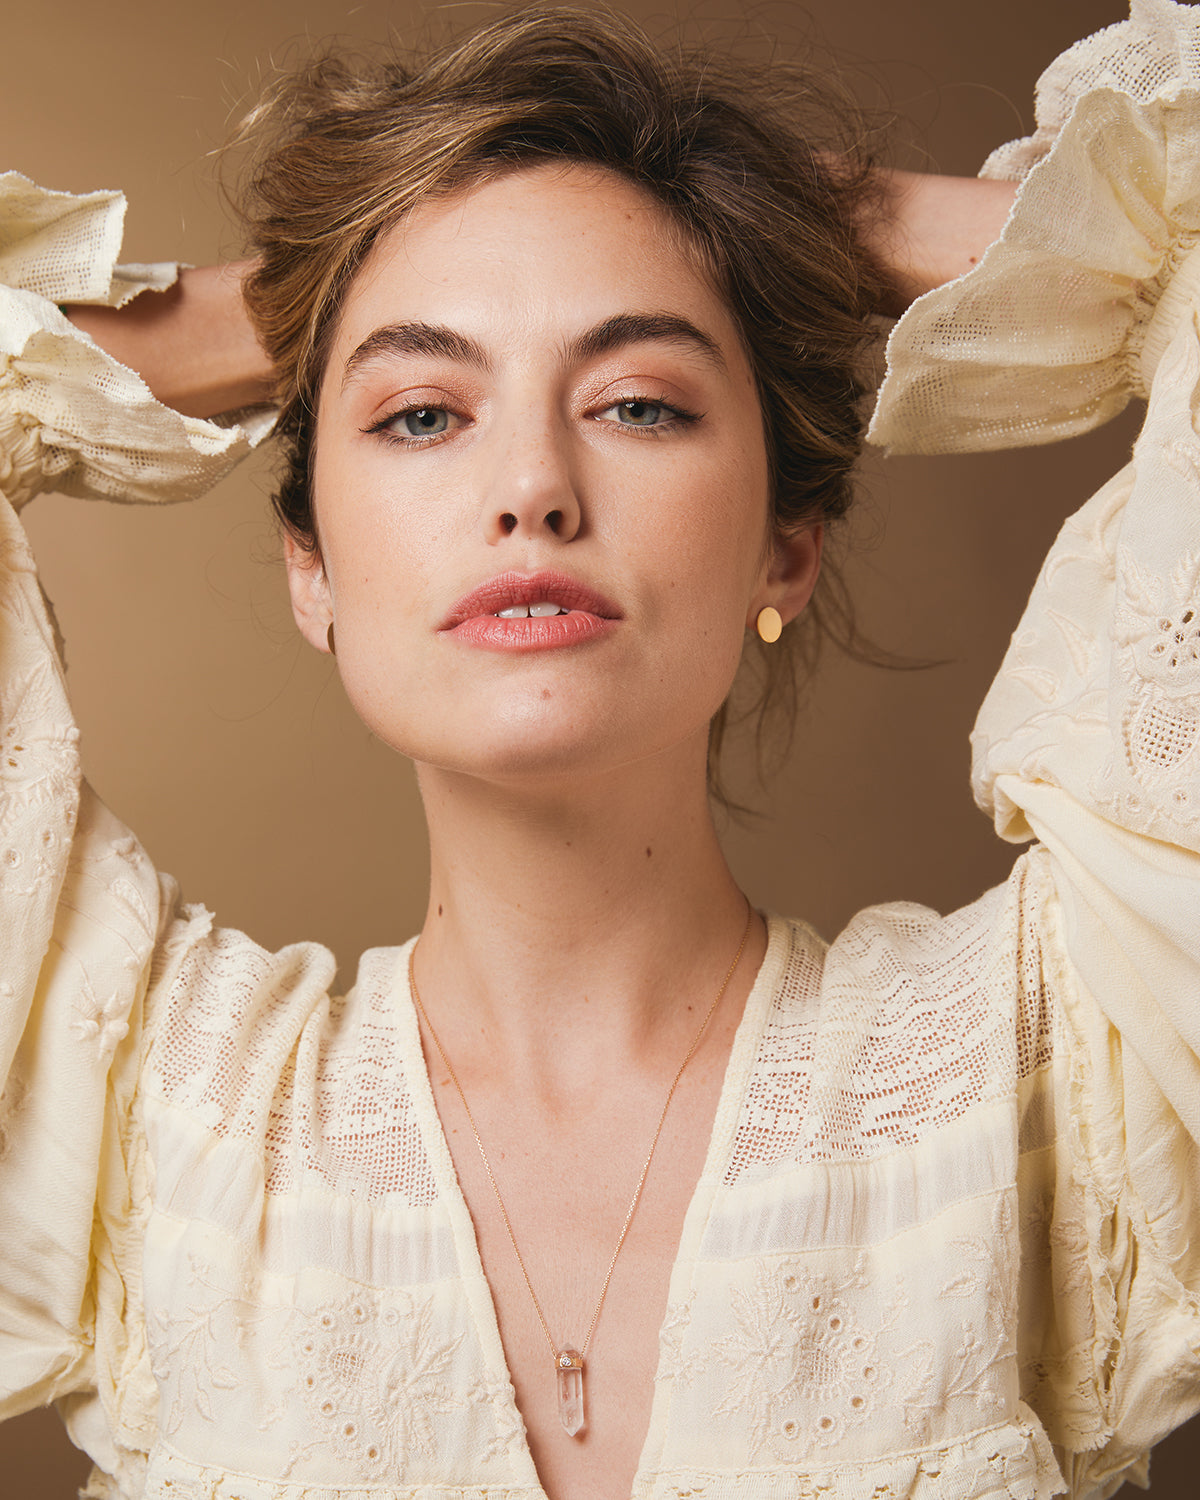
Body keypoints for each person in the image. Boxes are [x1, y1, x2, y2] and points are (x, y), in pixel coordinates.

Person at [1, 4, 1198, 1499]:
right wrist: (315, 283)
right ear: (313, 566)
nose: (532, 487)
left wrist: (804, 219)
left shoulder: (1052, 1069)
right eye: (421, 413)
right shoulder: (150, 1120)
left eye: (639, 401)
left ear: (785, 546)